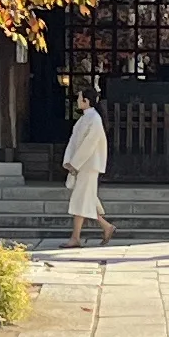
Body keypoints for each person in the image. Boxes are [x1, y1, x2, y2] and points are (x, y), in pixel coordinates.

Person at [62, 92, 114, 247]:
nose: (77, 101)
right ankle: (106, 226)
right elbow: (75, 142)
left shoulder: (94, 119)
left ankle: (76, 237)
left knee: (81, 199)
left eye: (79, 98)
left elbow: (89, 144)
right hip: (84, 165)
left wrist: (75, 163)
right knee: (85, 199)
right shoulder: (87, 118)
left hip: (88, 165)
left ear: (86, 101)